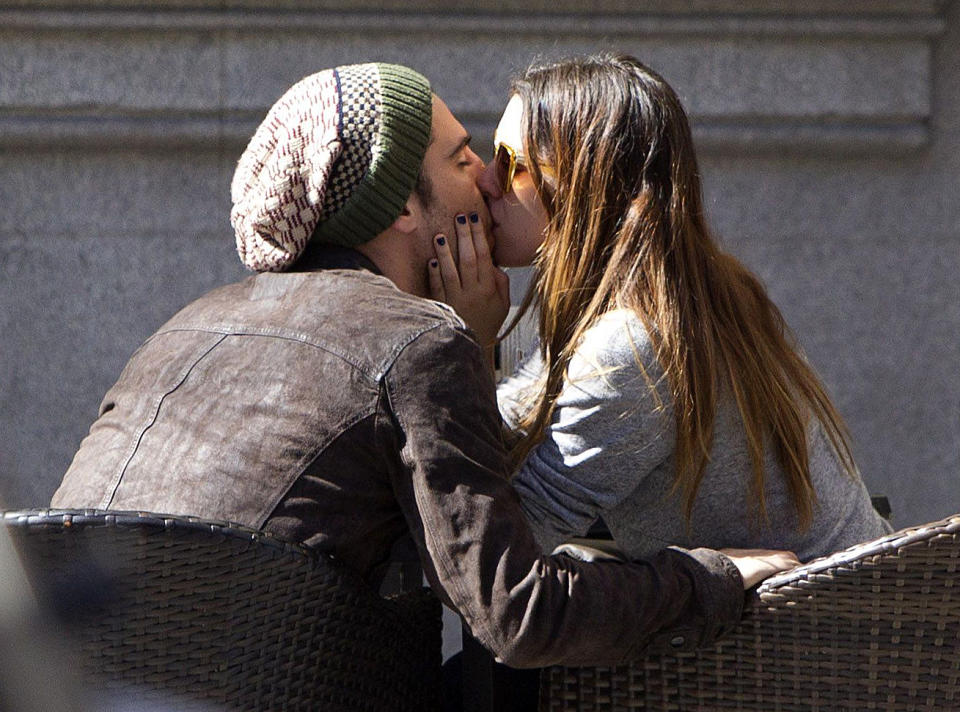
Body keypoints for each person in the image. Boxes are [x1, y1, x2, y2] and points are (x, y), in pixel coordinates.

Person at [51, 62, 796, 671]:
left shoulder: (182, 326)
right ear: (403, 206)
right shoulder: (417, 344)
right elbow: (521, 613)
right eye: (465, 156)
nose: (486, 180)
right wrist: (708, 578)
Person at [431, 53, 891, 564]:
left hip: (817, 632)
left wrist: (467, 344)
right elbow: (519, 423)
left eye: (510, 163)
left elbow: (505, 555)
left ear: (587, 185)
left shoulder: (633, 344)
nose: (487, 182)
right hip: (858, 615)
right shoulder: (682, 292)